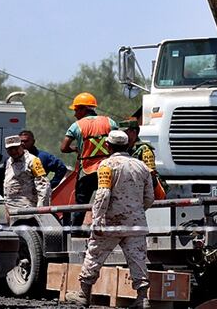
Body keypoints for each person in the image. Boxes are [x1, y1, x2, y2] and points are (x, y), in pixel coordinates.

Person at [64, 130, 153, 308]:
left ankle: (83, 294)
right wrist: (135, 212)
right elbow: (149, 197)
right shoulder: (141, 166)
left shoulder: (106, 165)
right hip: (136, 223)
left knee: (94, 255)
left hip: (110, 223)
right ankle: (142, 298)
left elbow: (103, 194)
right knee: (138, 259)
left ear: (108, 146)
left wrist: (97, 220)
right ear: (127, 145)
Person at [60, 92, 117, 209]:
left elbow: (63, 148)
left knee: (80, 207)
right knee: (111, 204)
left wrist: (75, 149)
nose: (75, 114)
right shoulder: (109, 122)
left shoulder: (76, 126)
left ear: (83, 109)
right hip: (108, 170)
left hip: (87, 172)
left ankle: (76, 227)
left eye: (76, 110)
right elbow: (118, 141)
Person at [2, 135, 50, 212]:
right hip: (9, 206)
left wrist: (41, 208)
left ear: (22, 146)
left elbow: (43, 185)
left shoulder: (32, 160)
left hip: (26, 207)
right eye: (10, 149)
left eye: (16, 148)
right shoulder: (9, 161)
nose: (13, 151)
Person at [122, 119, 167, 199]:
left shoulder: (144, 150)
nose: (123, 135)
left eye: (126, 132)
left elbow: (150, 175)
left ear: (134, 132)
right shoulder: (124, 149)